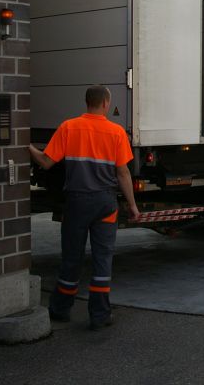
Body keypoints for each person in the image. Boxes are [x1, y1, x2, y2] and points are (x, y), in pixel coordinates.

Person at [29, 85, 141, 330]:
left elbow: (46, 162)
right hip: (105, 203)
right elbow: (122, 173)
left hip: (77, 202)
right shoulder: (116, 132)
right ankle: (99, 314)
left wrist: (27, 146)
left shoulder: (69, 127)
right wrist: (132, 205)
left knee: (71, 257)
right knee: (103, 259)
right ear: (105, 104)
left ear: (87, 102)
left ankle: (60, 309)